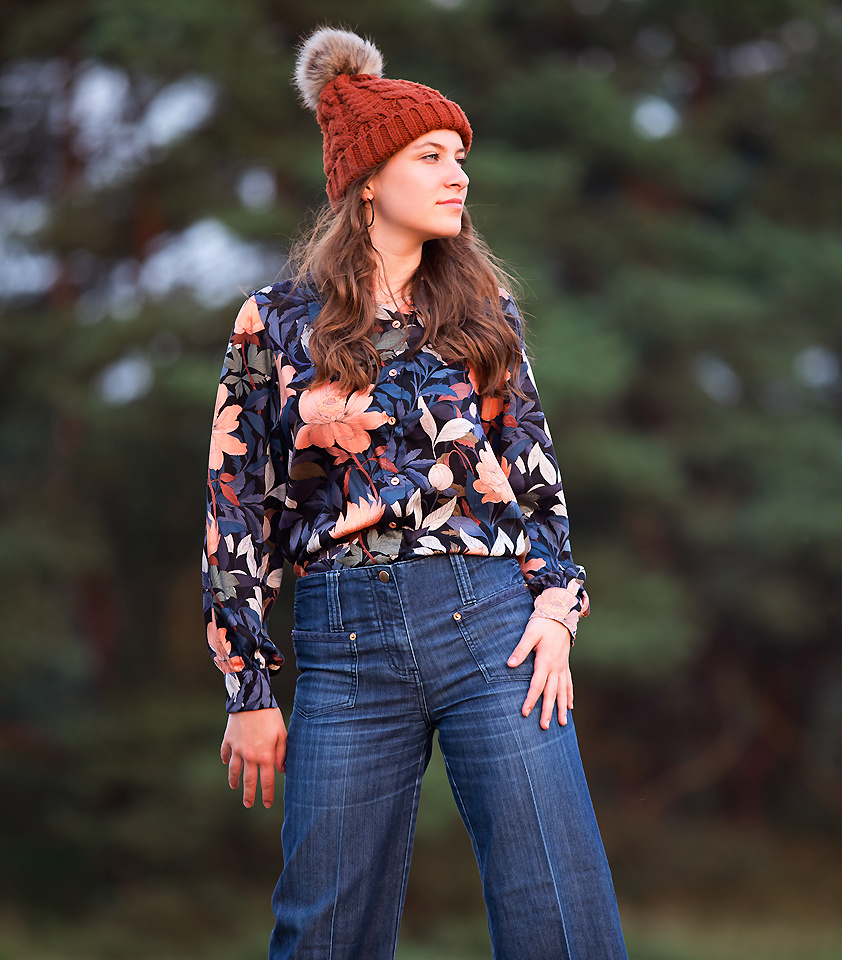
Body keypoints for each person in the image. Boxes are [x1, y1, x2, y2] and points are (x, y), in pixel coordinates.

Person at [203, 25, 628, 960]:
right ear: (367, 180)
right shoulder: (274, 323)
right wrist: (248, 685)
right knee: (323, 934)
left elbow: (535, 480)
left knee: (561, 918)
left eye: (460, 158)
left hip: (493, 624)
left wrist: (558, 610)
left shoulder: (484, 315)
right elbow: (237, 506)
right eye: (431, 156)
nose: (457, 176)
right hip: (343, 641)